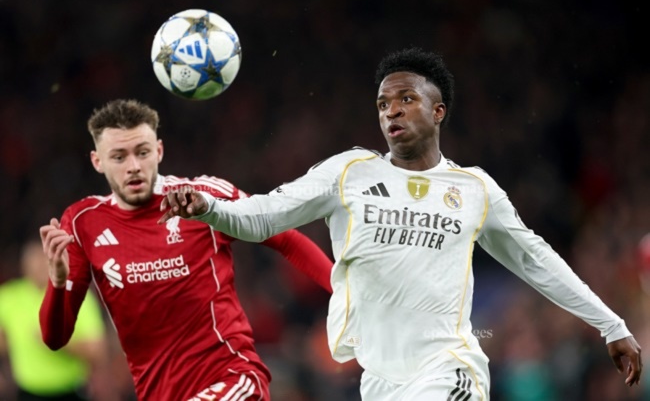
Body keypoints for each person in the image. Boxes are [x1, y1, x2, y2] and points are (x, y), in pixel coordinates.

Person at [159, 47, 643, 400]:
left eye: (406, 98)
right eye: (383, 103)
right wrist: (207, 207)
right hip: (380, 380)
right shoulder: (348, 173)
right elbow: (263, 215)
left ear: (438, 111)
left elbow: (535, 259)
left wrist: (611, 325)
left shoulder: (474, 188)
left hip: (450, 368)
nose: (391, 109)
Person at [39, 99, 334, 400]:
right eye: (118, 156)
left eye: (142, 152)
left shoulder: (201, 198)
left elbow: (285, 238)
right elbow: (54, 338)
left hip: (233, 379)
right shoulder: (83, 222)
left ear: (159, 151)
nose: (134, 166)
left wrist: (344, 292)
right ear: (97, 161)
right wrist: (58, 282)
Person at [0, 240, 108, 401]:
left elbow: (97, 352)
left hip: (69, 391)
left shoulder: (76, 295)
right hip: (27, 392)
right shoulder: (9, 297)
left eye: (45, 260)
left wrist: (56, 340)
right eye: (34, 260)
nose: (39, 266)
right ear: (24, 264)